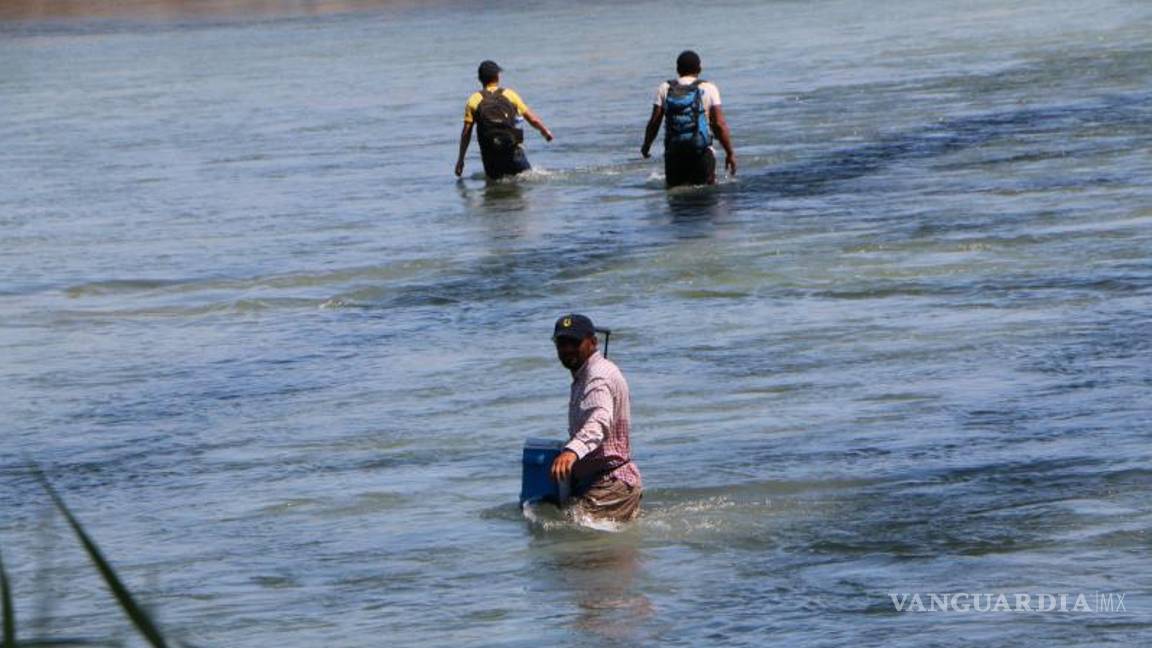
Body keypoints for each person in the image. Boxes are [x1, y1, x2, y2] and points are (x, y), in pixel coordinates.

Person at [549, 314, 643, 523]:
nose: (566, 349)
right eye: (561, 343)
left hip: (610, 484)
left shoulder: (597, 376)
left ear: (592, 342)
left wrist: (573, 451)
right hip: (604, 482)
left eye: (574, 342)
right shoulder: (586, 374)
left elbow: (600, 420)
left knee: (573, 543)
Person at [640, 50, 736, 187]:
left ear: (678, 69)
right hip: (701, 153)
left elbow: (654, 123)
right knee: (705, 201)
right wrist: (729, 153)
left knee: (676, 203)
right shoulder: (709, 88)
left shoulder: (665, 88)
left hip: (674, 154)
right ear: (699, 69)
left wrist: (646, 146)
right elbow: (719, 124)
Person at [455, 60, 554, 180]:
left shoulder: (473, 100)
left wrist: (461, 160)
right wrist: (545, 132)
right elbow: (532, 119)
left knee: (493, 191)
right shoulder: (510, 94)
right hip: (512, 152)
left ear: (480, 79)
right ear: (497, 76)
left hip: (490, 158)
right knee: (525, 182)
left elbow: (466, 133)